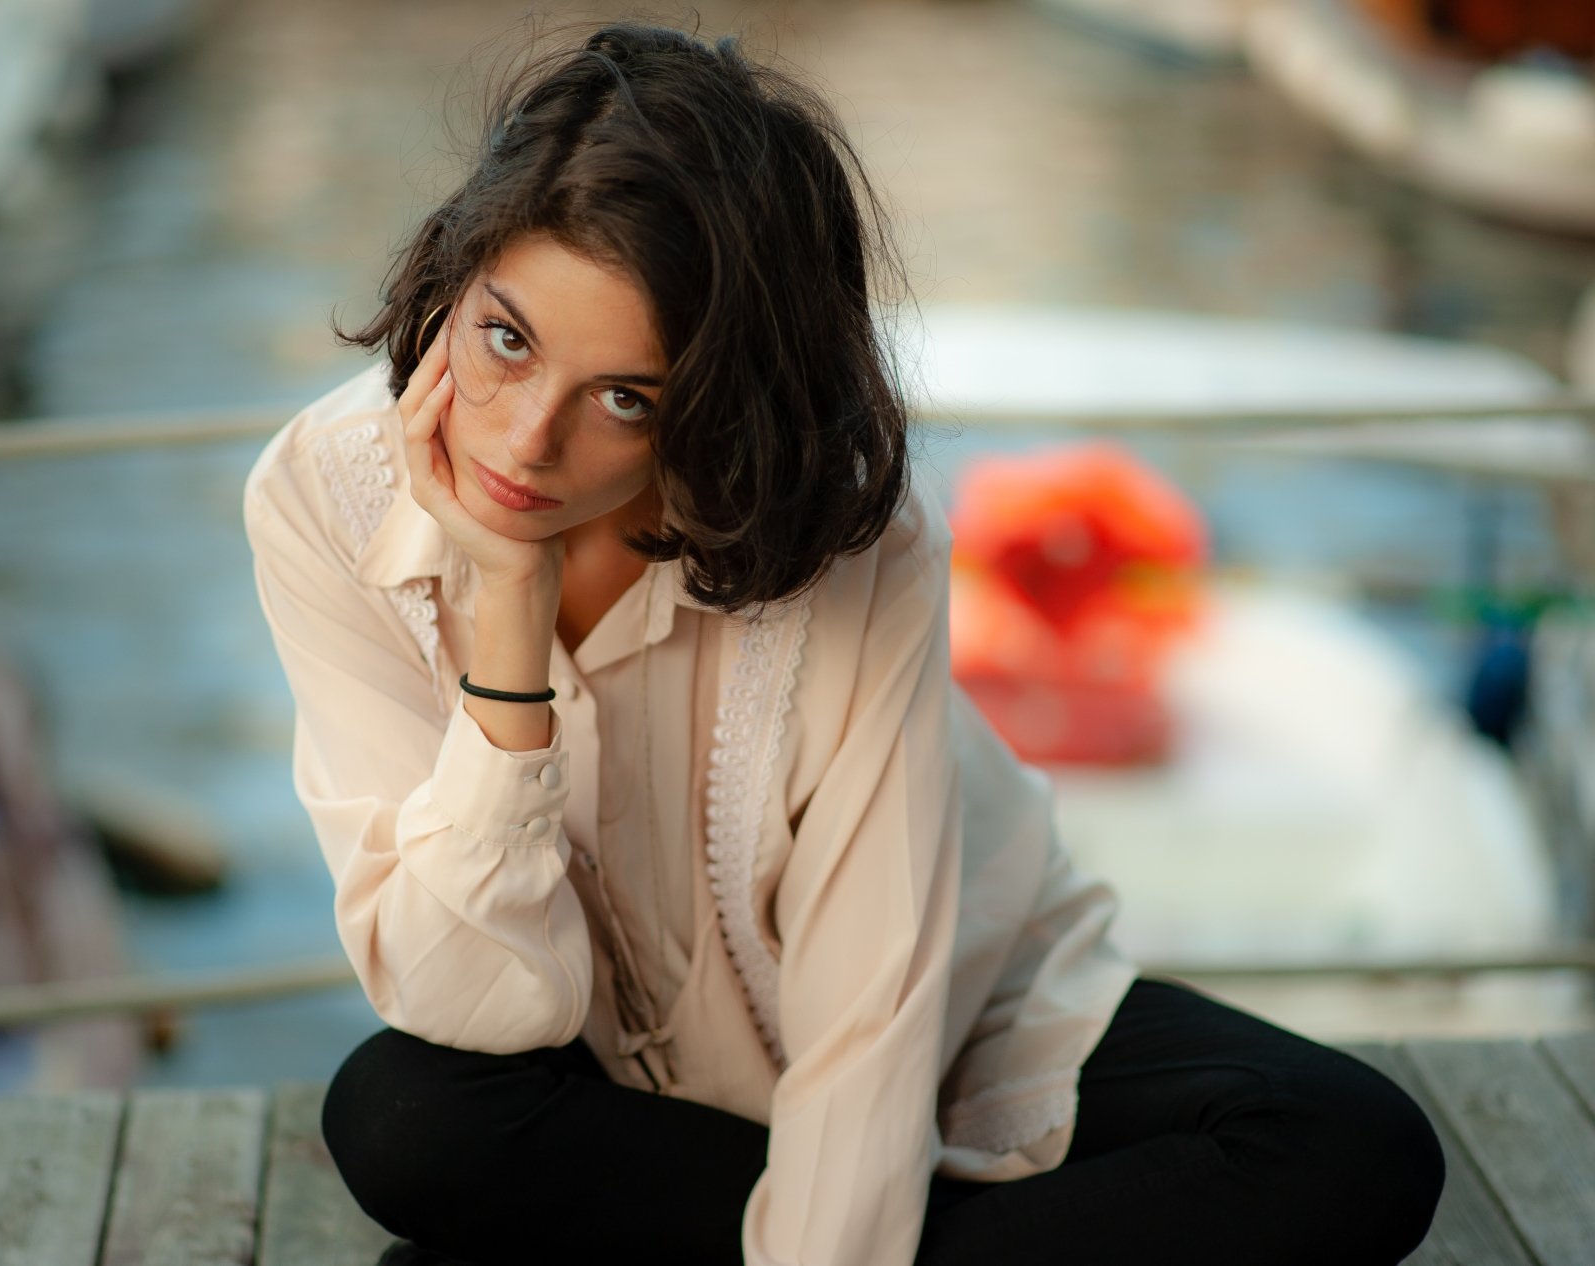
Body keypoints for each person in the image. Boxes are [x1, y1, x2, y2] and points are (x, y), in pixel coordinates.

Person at [242, 20, 1445, 1266]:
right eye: (508, 338)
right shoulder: (322, 500)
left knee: (1352, 1147)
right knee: (401, 1117)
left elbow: (871, 1031)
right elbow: (480, 999)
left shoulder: (841, 539)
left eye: (625, 398)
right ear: (464, 262)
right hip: (609, 1091)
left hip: (958, 1023)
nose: (528, 442)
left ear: (715, 395)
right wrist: (506, 613)